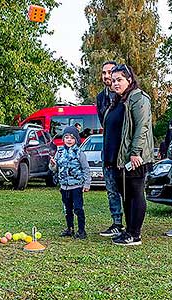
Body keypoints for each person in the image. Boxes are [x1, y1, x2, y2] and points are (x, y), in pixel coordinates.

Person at [103, 64, 154, 246]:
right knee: (126, 194)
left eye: (120, 79)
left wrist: (134, 152)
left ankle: (135, 234)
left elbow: (142, 127)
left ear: (129, 79)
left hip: (134, 158)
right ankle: (128, 230)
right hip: (119, 158)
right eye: (114, 80)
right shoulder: (118, 100)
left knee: (135, 193)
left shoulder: (138, 98)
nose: (115, 83)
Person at [96, 61, 125, 237]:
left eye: (110, 72)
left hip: (123, 149)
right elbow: (104, 123)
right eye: (104, 73)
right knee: (111, 188)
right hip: (107, 148)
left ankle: (131, 223)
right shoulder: (100, 98)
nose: (107, 76)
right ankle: (116, 222)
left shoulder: (125, 96)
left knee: (125, 188)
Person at [50, 126, 91, 239]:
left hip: (77, 186)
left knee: (78, 208)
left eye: (72, 138)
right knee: (67, 209)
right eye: (66, 137)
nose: (69, 140)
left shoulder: (79, 153)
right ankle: (70, 228)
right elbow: (54, 168)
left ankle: (82, 230)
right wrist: (53, 164)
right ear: (63, 139)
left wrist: (87, 183)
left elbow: (86, 169)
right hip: (64, 186)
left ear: (76, 140)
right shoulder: (60, 152)